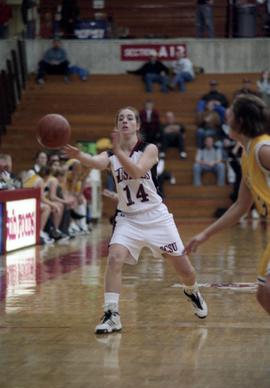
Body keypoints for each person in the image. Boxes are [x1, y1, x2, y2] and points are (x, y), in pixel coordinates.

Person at [64, 106, 208, 334]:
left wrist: (118, 152)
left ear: (137, 126)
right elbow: (96, 161)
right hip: (128, 219)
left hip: (156, 218)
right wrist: (79, 156)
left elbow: (138, 171)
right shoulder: (111, 154)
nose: (125, 121)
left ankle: (192, 291)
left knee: (185, 271)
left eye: (130, 118)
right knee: (114, 259)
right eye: (120, 118)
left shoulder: (149, 149)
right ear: (116, 126)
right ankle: (112, 315)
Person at [185, 94, 270, 316]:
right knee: (264, 295)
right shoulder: (247, 153)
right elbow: (241, 206)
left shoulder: (264, 149)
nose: (225, 118)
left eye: (229, 114)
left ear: (240, 121)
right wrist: (206, 234)